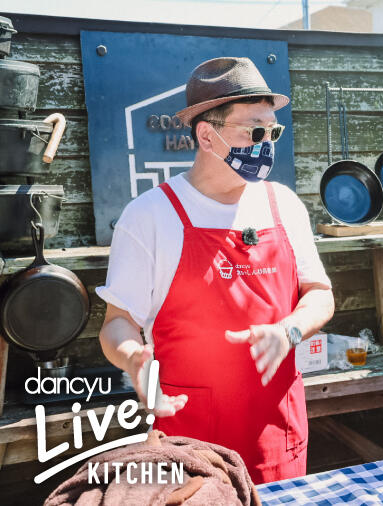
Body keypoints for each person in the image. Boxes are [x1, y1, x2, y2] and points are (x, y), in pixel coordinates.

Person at [97, 57, 335, 483]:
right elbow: (117, 324)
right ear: (207, 136)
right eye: (254, 131)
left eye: (272, 131)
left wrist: (289, 331)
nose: (267, 143)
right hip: (190, 447)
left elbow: (319, 292)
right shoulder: (149, 216)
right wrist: (134, 359)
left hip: (276, 434)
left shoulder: (284, 204)